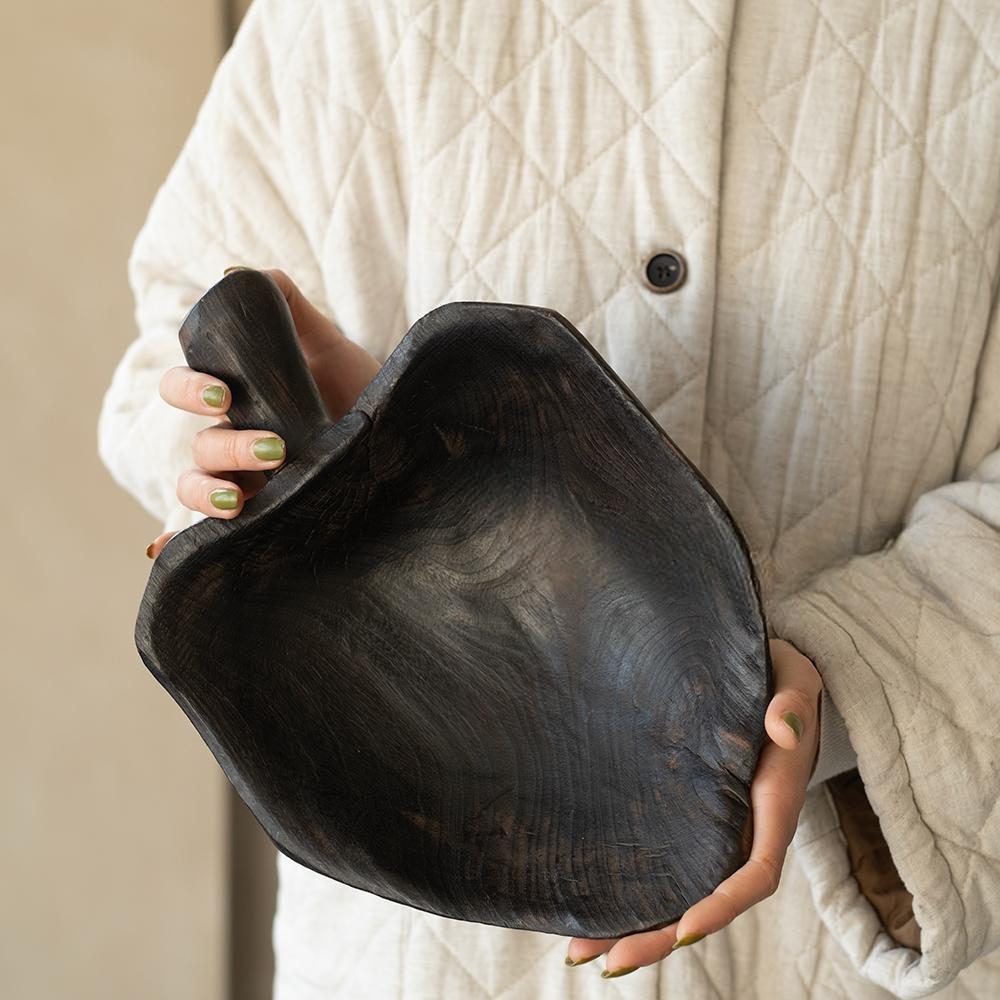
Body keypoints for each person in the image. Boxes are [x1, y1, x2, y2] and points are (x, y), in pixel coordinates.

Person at [97, 1, 1000, 997]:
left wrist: (853, 674)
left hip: (839, 952)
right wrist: (246, 442)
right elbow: (178, 335)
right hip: (429, 948)